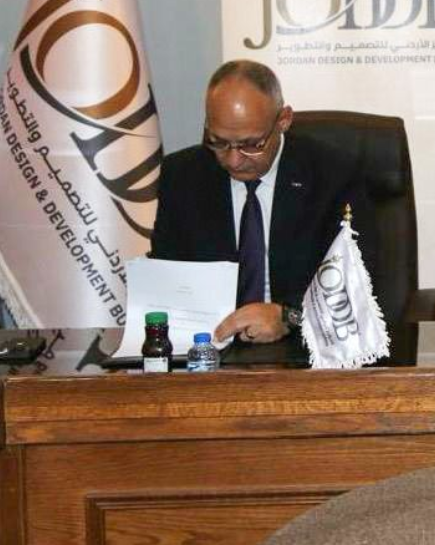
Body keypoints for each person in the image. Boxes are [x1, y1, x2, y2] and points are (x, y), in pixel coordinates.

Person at [150, 60, 379, 344]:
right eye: (219, 141)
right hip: (209, 346)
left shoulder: (333, 174)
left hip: (307, 347)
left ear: (283, 120)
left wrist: (288, 316)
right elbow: (167, 275)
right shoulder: (181, 176)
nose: (233, 160)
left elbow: (358, 279)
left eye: (251, 144)